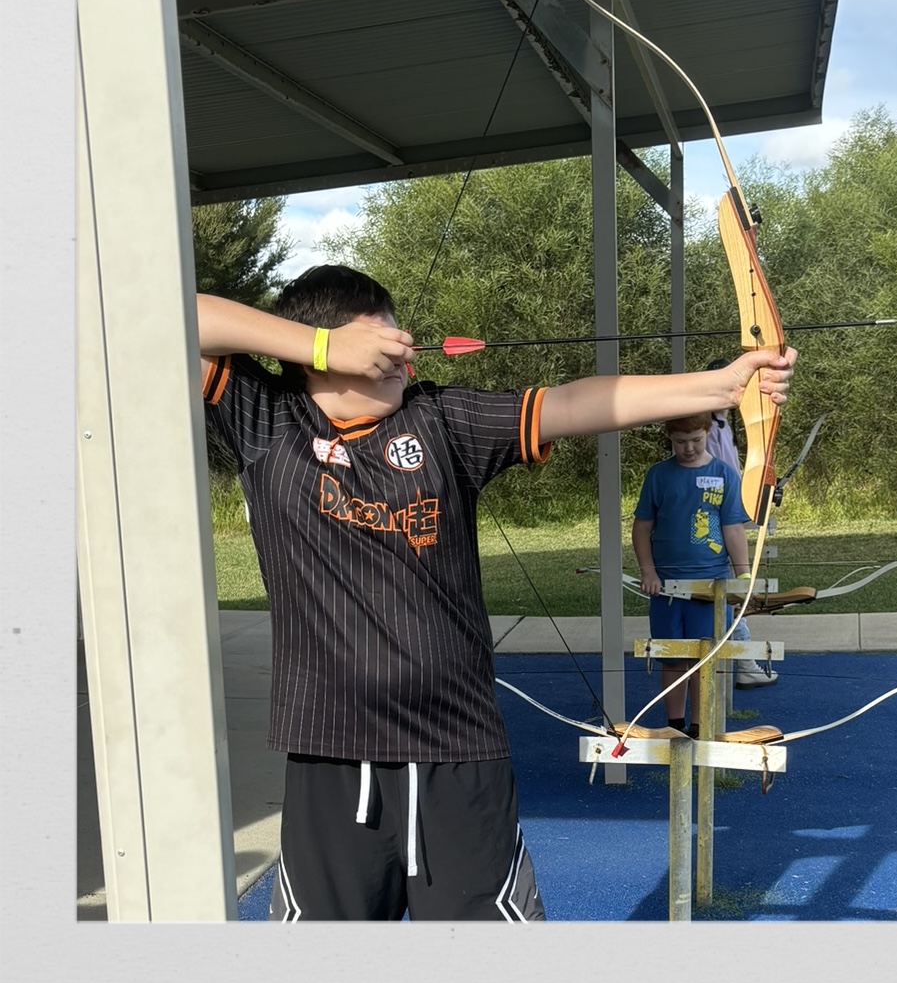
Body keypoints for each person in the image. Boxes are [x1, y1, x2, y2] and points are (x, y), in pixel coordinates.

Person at [197, 265, 796, 921]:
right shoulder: (268, 424)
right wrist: (318, 345)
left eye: (400, 334)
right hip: (330, 757)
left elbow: (572, 403)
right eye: (379, 342)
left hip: (458, 751)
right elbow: (173, 314)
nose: (401, 349)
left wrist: (718, 384)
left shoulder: (442, 421)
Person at [631, 414, 756, 738]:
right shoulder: (658, 475)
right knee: (673, 658)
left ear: (708, 433)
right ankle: (675, 727)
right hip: (666, 588)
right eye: (680, 442)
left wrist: (742, 577)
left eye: (696, 441)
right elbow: (642, 526)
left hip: (711, 587)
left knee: (705, 658)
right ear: (670, 439)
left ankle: (701, 727)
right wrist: (648, 571)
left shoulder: (724, 474)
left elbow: (733, 528)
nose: (688, 448)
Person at [703, 358, 778, 689]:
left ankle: (743, 662)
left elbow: (732, 473)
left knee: (730, 591)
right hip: (713, 521)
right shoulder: (707, 425)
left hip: (727, 515)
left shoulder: (722, 422)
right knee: (729, 593)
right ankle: (744, 663)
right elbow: (714, 477)